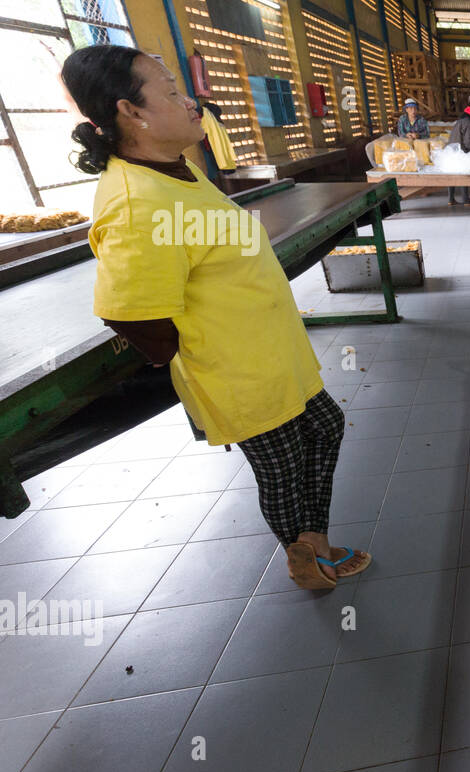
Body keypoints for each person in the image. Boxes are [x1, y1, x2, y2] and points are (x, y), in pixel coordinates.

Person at [61, 44, 368, 590]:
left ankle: (312, 543)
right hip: (236, 370)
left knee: (325, 426)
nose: (188, 100)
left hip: (271, 354)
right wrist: (210, 354)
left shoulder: (173, 171)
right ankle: (306, 559)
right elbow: (132, 316)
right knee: (281, 468)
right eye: (171, 91)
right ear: (131, 112)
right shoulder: (137, 202)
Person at [447, 103, 470, 205]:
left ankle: (451, 199)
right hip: (460, 153)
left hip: (451, 152)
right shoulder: (468, 123)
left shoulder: (460, 122)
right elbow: (468, 143)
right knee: (464, 173)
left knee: (452, 175)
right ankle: (466, 200)